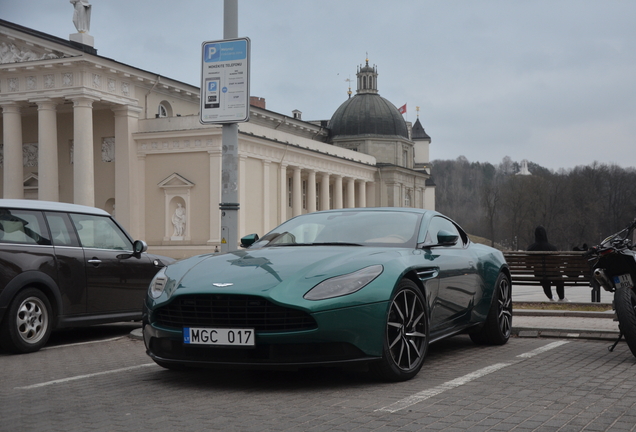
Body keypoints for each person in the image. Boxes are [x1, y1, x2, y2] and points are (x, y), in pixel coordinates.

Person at [527, 225, 567, 301]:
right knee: (559, 280)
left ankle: (551, 298)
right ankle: (561, 298)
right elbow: (557, 263)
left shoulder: (531, 248)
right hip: (552, 273)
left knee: (544, 281)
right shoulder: (552, 248)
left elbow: (528, 265)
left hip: (539, 274)